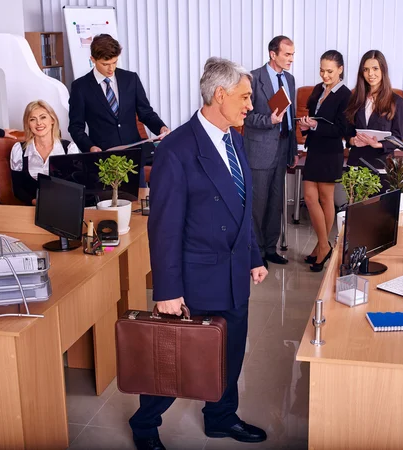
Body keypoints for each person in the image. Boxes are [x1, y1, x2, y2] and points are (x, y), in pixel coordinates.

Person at [128, 57, 268, 450]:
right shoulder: (176, 149)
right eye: (244, 97)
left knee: (230, 356)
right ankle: (144, 424)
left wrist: (254, 257)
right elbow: (164, 227)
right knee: (179, 363)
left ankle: (221, 418)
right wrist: (167, 291)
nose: (249, 105)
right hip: (196, 279)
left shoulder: (235, 139)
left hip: (235, 272)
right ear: (219, 95)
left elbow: (243, 208)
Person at [244, 35, 299, 269]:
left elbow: (291, 117)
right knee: (259, 203)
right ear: (272, 54)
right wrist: (269, 119)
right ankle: (256, 255)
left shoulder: (290, 79)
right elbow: (245, 116)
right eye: (287, 54)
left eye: (293, 54)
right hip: (260, 149)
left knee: (277, 202)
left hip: (284, 145)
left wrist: (294, 148)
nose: (291, 59)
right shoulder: (253, 79)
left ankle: (270, 248)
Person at [68, 34, 169, 153]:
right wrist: (90, 147)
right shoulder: (80, 87)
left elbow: (146, 113)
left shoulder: (131, 79)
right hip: (103, 157)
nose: (111, 68)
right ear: (93, 59)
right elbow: (76, 127)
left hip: (135, 153)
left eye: (114, 62)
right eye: (105, 64)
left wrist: (161, 127)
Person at [298, 50, 351, 271]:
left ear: (340, 69)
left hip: (330, 151)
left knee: (325, 198)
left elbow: (342, 128)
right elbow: (314, 117)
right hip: (315, 148)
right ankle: (324, 246)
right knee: (310, 197)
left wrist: (316, 126)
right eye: (322, 70)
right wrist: (305, 126)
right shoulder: (319, 89)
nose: (325, 75)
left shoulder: (346, 95)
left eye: (329, 71)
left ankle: (321, 248)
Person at [10, 100, 80, 205]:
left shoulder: (69, 149)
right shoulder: (19, 150)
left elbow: (76, 185)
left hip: (64, 207)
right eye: (33, 119)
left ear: (52, 120)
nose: (39, 123)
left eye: (43, 117)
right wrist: (35, 202)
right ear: (28, 124)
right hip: (32, 209)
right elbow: (18, 189)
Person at [345, 50, 403, 167]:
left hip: (381, 163)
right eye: (366, 69)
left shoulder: (397, 102)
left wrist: (378, 144)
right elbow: (348, 131)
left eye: (375, 68)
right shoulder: (355, 98)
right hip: (356, 162)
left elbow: (398, 139)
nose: (370, 74)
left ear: (383, 70)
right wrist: (352, 140)